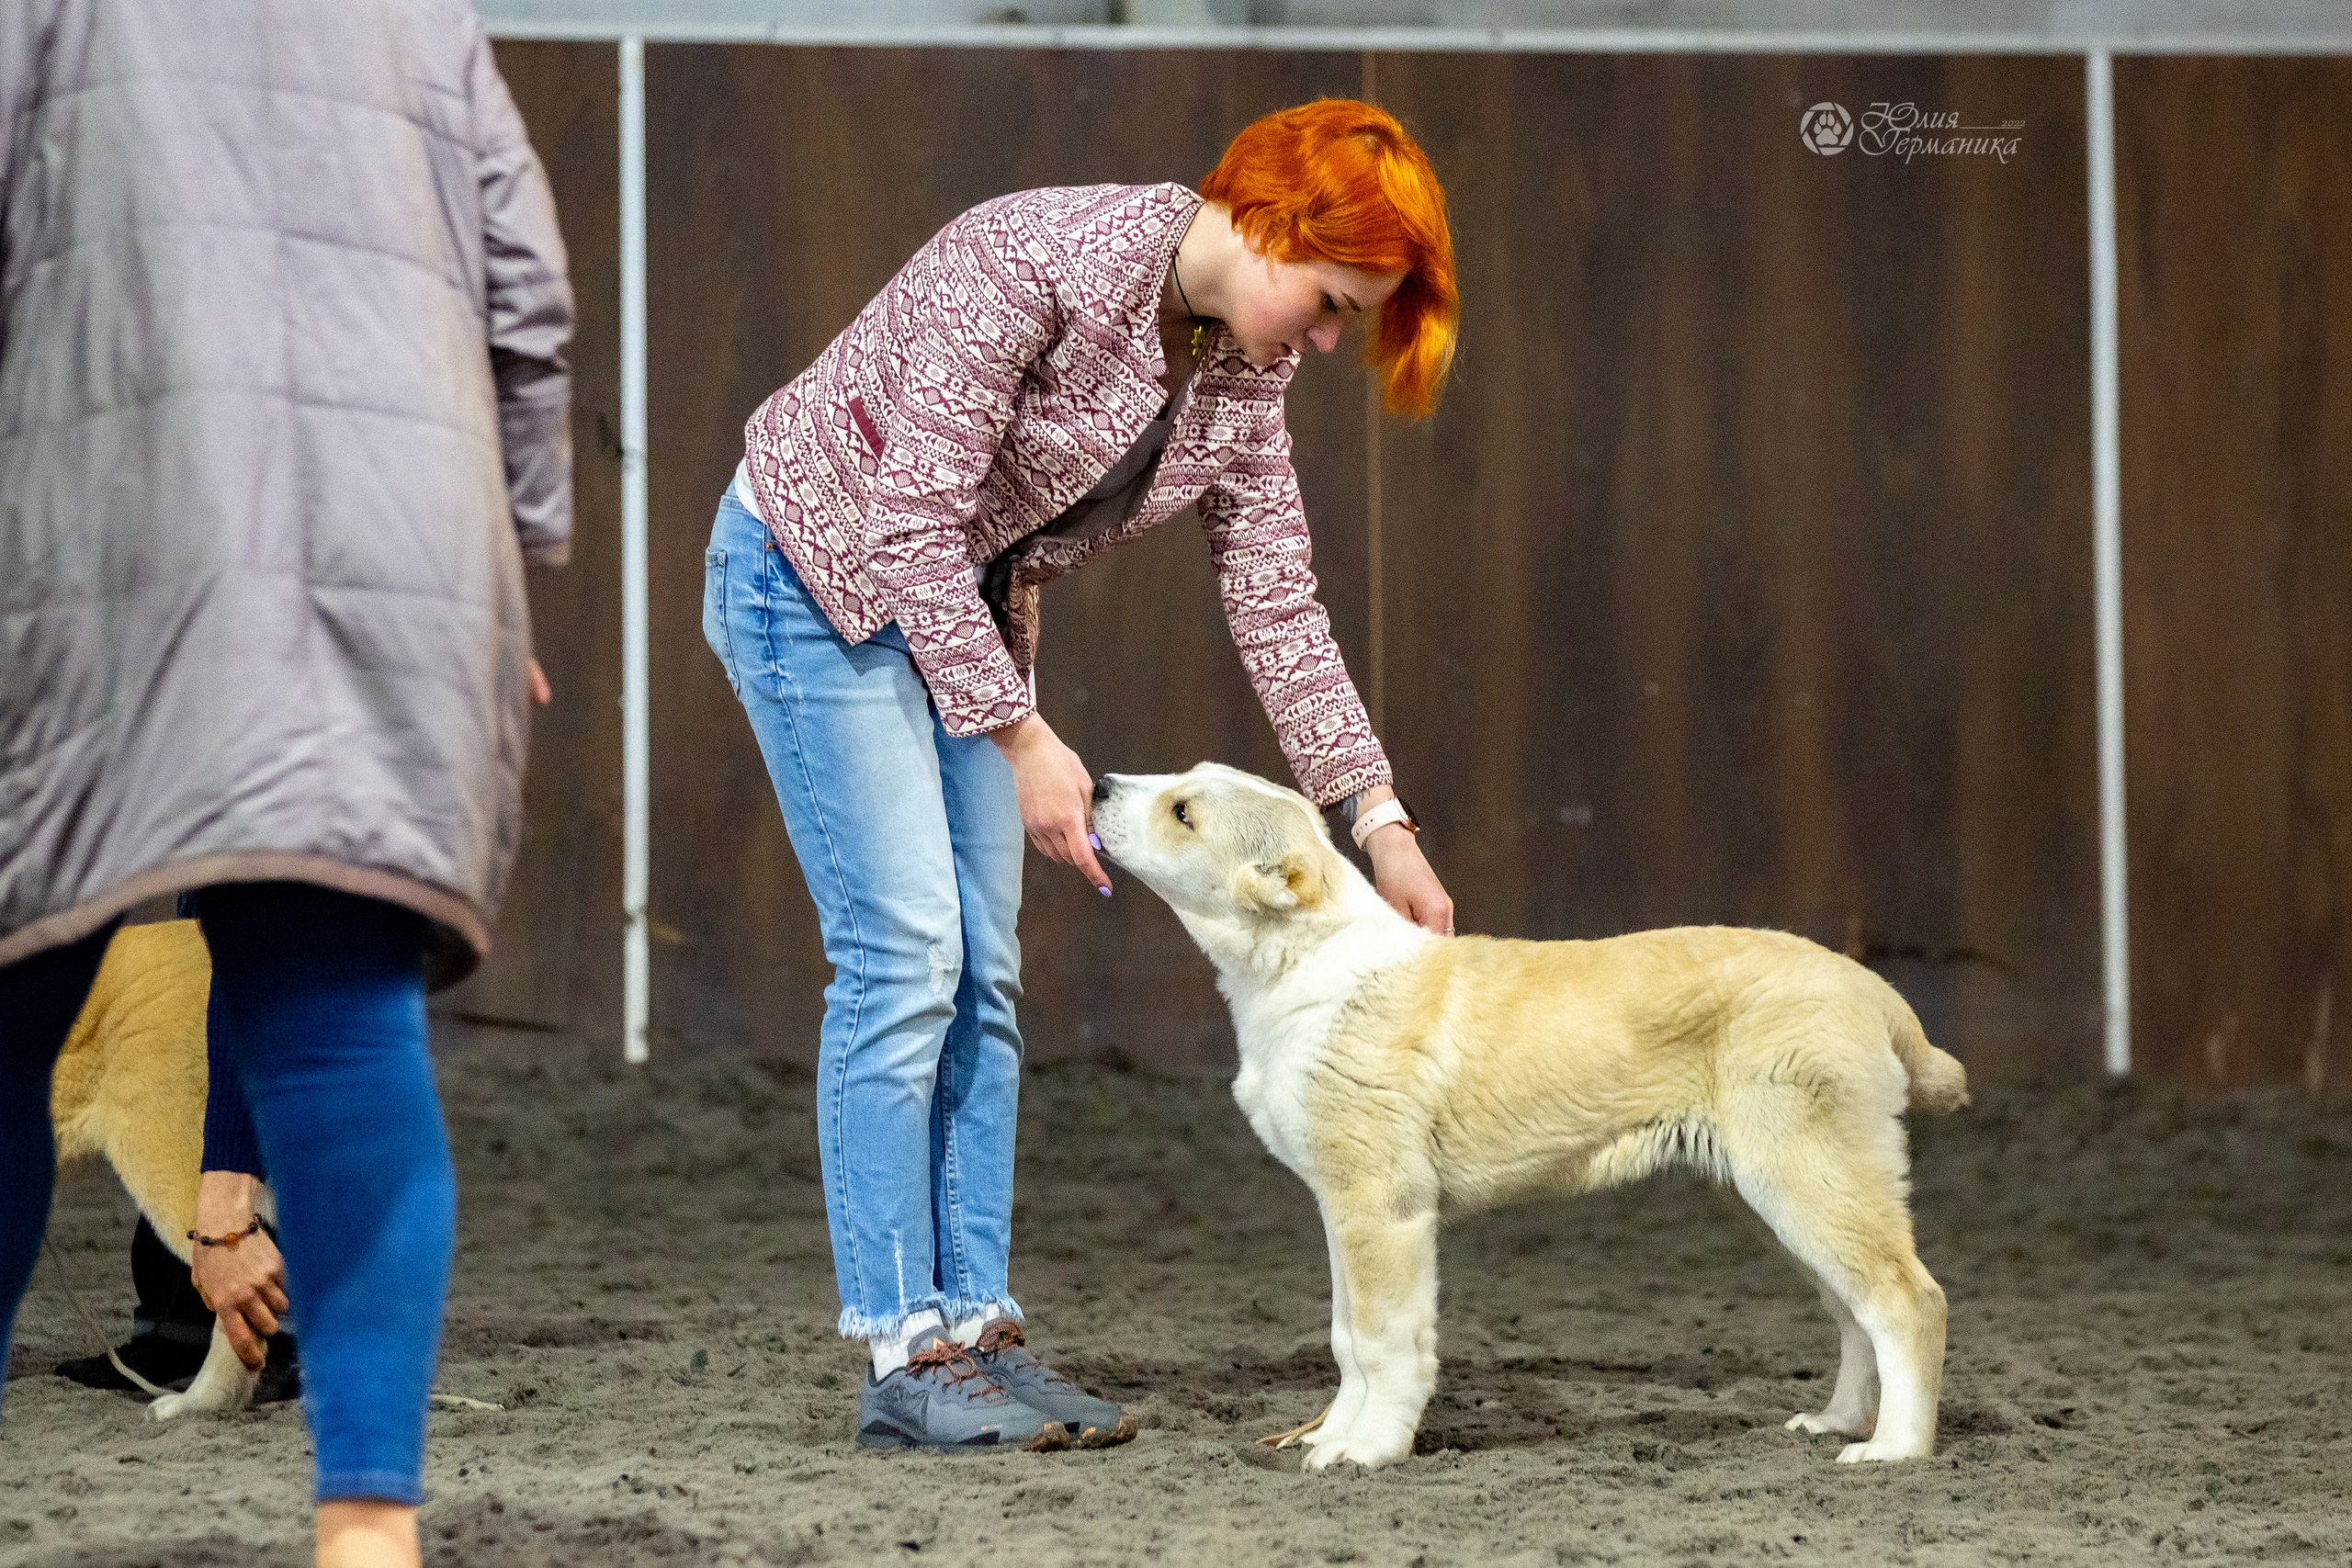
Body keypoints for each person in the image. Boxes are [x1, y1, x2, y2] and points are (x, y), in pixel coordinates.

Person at [704, 98, 1458, 1450]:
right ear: (1272, 226)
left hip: (963, 614)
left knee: (983, 971)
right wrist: (1021, 736)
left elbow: (1276, 600)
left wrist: (1377, 820)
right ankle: (901, 1348)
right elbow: (907, 518)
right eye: (1335, 303)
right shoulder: (1032, 259)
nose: (1331, 340)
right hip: (813, 580)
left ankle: (976, 1329)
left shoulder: (1243, 372)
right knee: (905, 957)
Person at [0, 3, 572, 1564]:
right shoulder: (415, 15)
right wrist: (511, 559)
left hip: (109, 526)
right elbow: (525, 284)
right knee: (338, 1026)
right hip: (394, 544)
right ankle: (370, 1526)